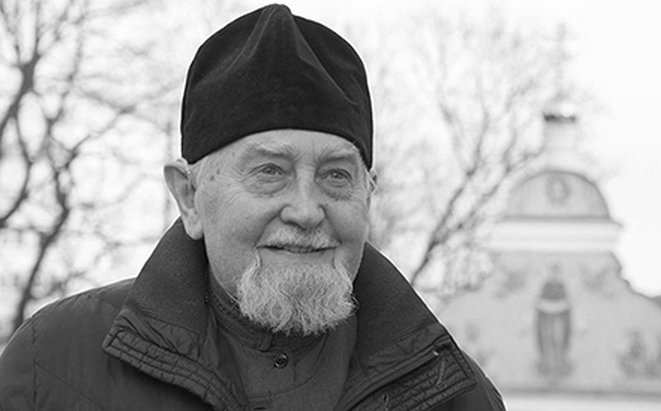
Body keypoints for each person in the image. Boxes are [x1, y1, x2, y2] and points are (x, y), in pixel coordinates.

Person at [0, 4, 505, 410]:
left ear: (368, 196)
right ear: (189, 196)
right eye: (270, 172)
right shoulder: (54, 366)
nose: (306, 211)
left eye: (335, 175)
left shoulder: (454, 395)